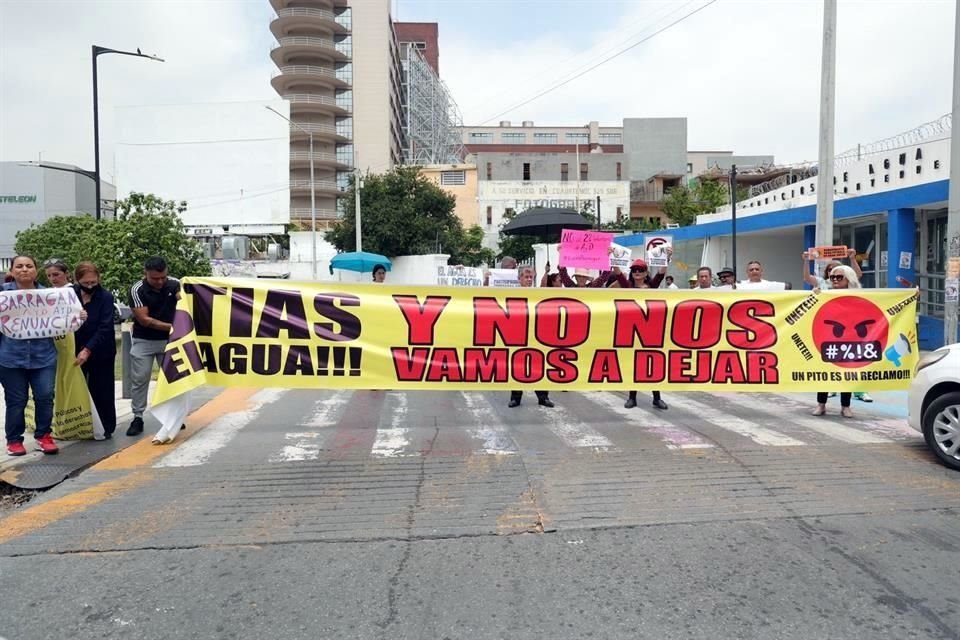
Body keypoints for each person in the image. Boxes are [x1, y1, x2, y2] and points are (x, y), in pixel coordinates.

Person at [1, 256, 59, 455]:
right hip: (10, 357)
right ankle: (14, 440)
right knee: (16, 400)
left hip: (44, 356)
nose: (24, 270)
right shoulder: (2, 295)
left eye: (29, 266)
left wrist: (76, 316)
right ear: (12, 270)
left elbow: (63, 319)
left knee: (45, 397)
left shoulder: (49, 295)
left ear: (36, 270)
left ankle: (44, 436)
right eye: (19, 266)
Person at [127, 256, 181, 436]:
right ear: (145, 274)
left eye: (163, 277)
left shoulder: (175, 284)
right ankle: (137, 416)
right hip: (144, 340)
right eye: (154, 278)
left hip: (170, 341)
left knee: (172, 379)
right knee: (140, 379)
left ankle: (174, 417)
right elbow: (145, 320)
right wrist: (174, 327)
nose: (159, 282)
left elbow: (186, 304)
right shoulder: (137, 290)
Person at [73, 262, 118, 438]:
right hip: (75, 348)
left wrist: (88, 349)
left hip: (101, 349)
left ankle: (106, 427)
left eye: (94, 282)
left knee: (102, 389)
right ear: (77, 280)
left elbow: (105, 327)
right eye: (86, 283)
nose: (90, 286)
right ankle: (80, 424)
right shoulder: (70, 295)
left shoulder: (105, 297)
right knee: (77, 388)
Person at [811, 265, 860, 418]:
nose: (835, 280)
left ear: (848, 279)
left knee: (847, 372)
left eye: (839, 277)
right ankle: (821, 404)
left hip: (849, 338)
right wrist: (814, 296)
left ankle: (845, 406)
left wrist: (910, 295)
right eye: (832, 277)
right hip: (827, 338)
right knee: (825, 371)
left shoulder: (859, 296)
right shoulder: (823, 294)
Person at [623, 259, 668, 411]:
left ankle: (657, 398)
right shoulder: (627, 287)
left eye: (640, 270)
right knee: (634, 365)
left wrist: (666, 258)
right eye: (634, 270)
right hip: (632, 330)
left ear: (646, 273)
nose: (637, 272)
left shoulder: (652, 286)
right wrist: (612, 257)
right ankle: (632, 397)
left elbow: (661, 273)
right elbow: (617, 273)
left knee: (652, 364)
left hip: (650, 331)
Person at [509, 265, 553, 408]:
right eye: (526, 277)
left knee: (539, 365)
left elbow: (544, 286)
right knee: (517, 366)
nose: (529, 280)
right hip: (518, 335)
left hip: (536, 335)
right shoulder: (511, 294)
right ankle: (515, 397)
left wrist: (546, 273)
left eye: (530, 277)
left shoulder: (537, 293)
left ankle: (543, 397)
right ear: (519, 279)